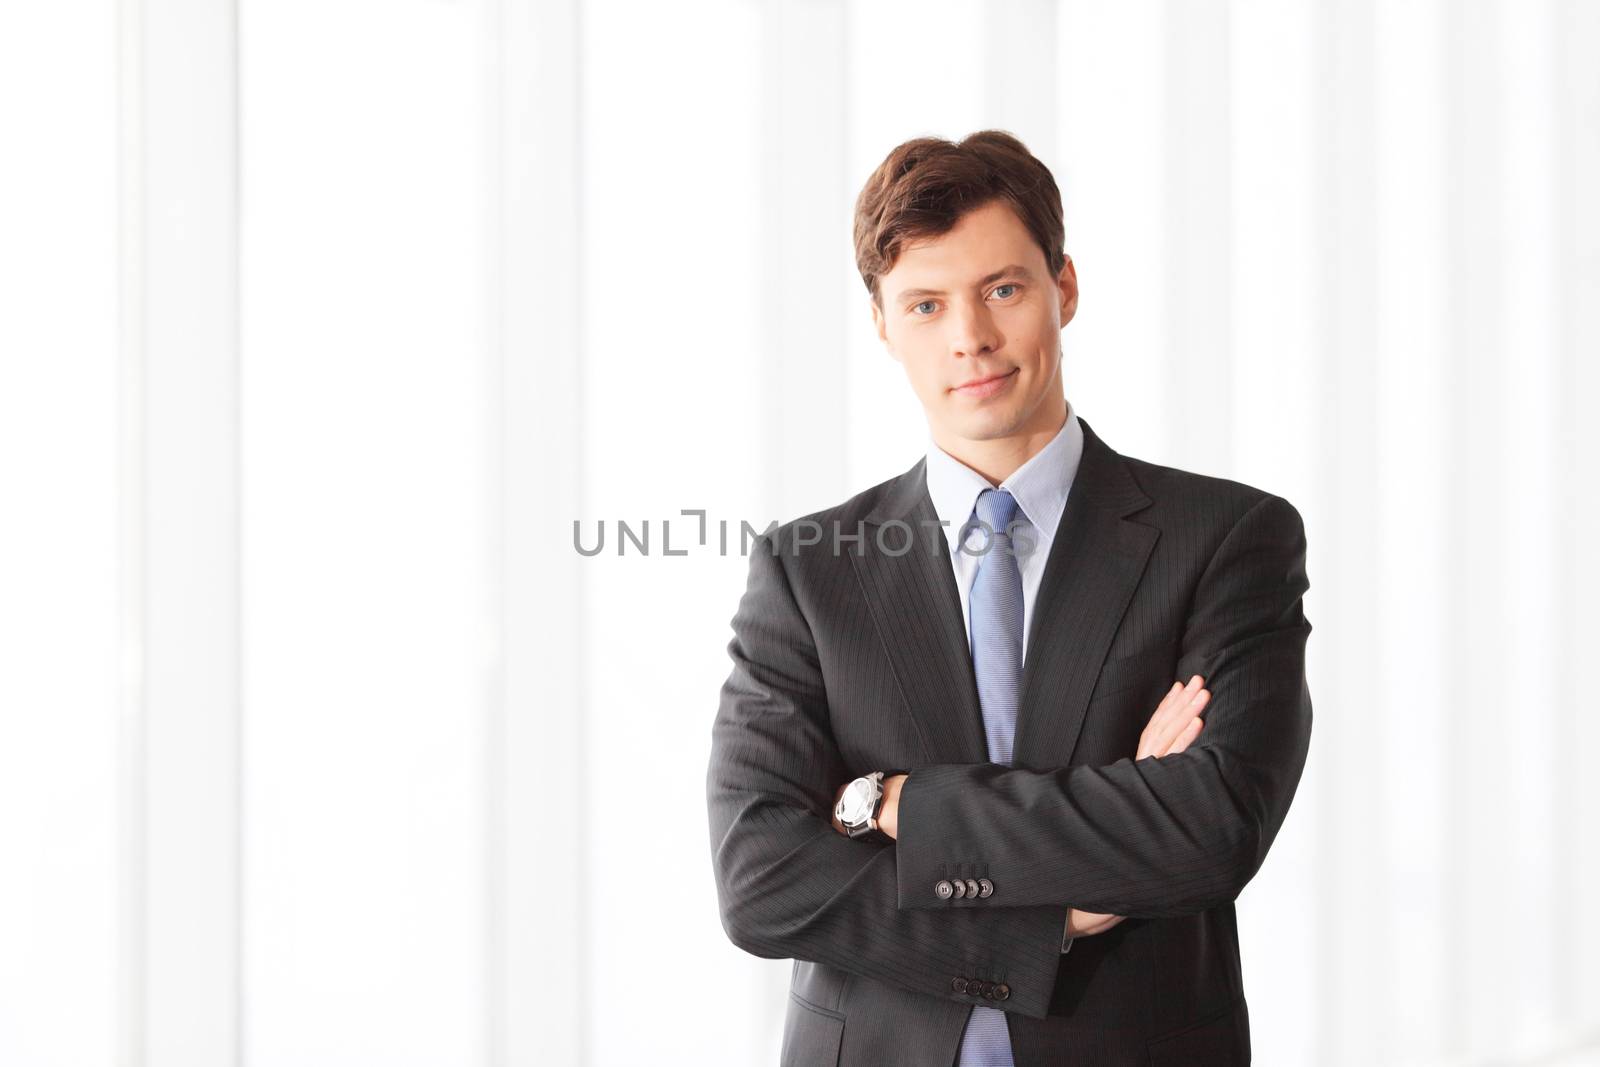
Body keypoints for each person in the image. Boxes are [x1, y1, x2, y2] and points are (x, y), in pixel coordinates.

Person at [705, 129, 1312, 1067]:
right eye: (926, 304)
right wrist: (1059, 912)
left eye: (1002, 289)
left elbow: (1209, 828)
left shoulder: (1225, 539)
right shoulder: (808, 568)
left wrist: (894, 806)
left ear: (1063, 287)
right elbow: (763, 879)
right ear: (881, 324)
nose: (970, 339)